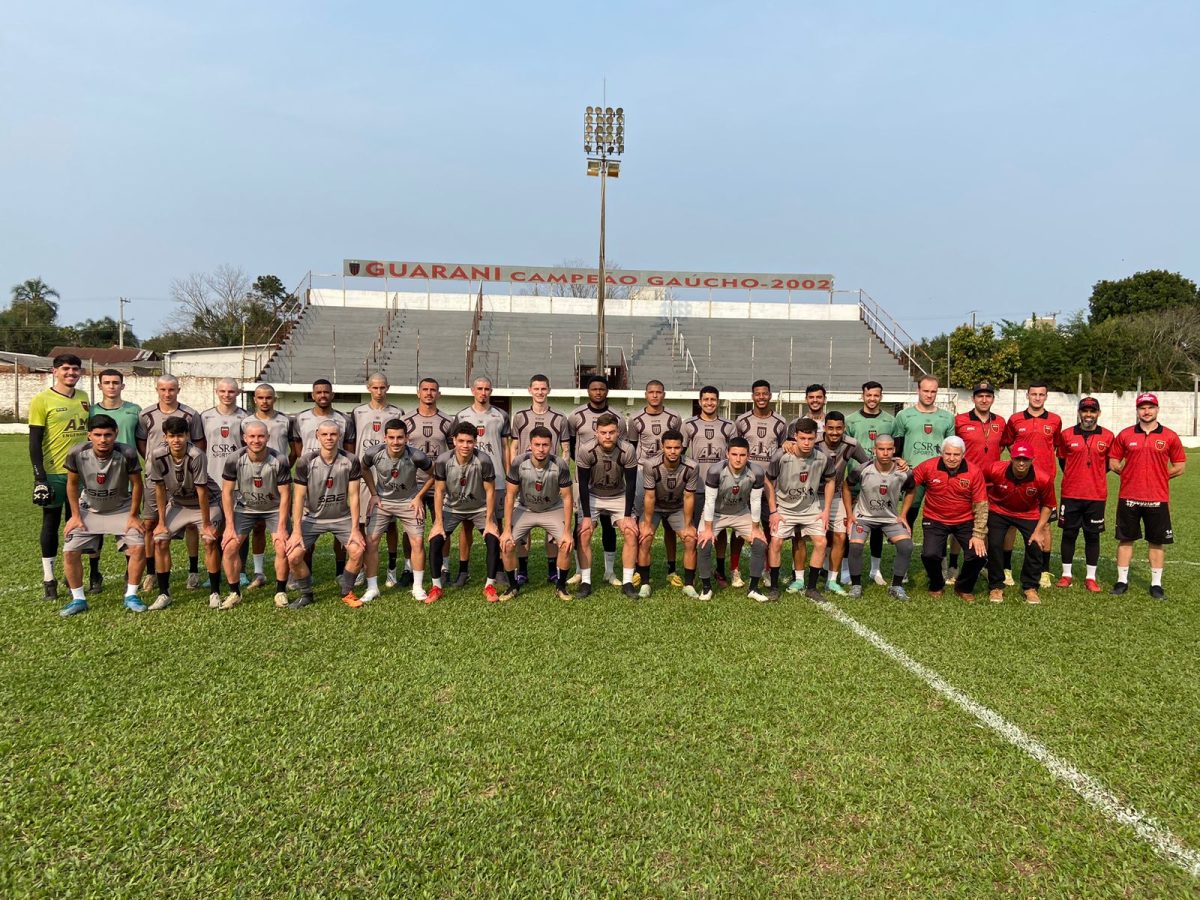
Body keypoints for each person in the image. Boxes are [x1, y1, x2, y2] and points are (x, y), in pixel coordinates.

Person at [58, 414, 147, 616]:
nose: (103, 439)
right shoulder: (77, 453)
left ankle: (131, 595)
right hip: (89, 509)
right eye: (97, 434)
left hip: (121, 509)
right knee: (69, 550)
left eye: (108, 434)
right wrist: (75, 516)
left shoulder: (127, 453)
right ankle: (78, 599)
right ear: (89, 435)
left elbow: (137, 484)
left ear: (115, 434)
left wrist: (133, 515)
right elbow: (71, 485)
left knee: (138, 546)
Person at [1109, 392, 1187, 599]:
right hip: (1129, 497)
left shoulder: (1169, 436)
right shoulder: (1126, 434)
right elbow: (1113, 461)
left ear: (1157, 409)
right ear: (1137, 410)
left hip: (1157, 498)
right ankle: (1121, 580)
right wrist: (1125, 472)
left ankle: (1156, 584)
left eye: (1150, 407)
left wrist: (1160, 476)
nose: (1146, 411)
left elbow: (1180, 466)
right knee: (1125, 540)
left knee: (1156, 541)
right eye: (1142, 408)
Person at [28, 353, 90, 600]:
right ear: (54, 371)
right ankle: (48, 579)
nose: (70, 373)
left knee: (77, 524)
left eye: (75, 369)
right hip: (54, 473)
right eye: (65, 369)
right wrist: (39, 477)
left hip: (82, 473)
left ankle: (71, 574)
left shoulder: (84, 398)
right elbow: (34, 442)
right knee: (51, 524)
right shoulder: (41, 400)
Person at [137, 374, 206, 592]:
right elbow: (142, 442)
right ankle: (151, 573)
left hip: (184, 479)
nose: (167, 394)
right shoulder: (146, 414)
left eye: (172, 390)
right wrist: (155, 464)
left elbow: (199, 443)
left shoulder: (190, 414)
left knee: (191, 524)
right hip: (155, 478)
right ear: (157, 389)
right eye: (163, 390)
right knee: (150, 524)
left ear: (178, 389)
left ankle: (193, 571)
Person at [286, 421, 366, 609]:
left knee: (357, 550)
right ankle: (306, 595)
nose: (329, 438)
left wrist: (355, 529)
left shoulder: (351, 460)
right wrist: (296, 531)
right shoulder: (305, 461)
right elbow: (298, 498)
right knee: (294, 556)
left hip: (341, 517)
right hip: (312, 518)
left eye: (333, 434)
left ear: (339, 436)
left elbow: (354, 495)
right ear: (317, 435)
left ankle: (346, 592)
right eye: (325, 435)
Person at [147, 416, 223, 610]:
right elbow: (159, 488)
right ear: (165, 437)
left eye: (180, 435)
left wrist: (206, 524)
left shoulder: (196, 455)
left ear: (188, 435)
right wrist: (161, 522)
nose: (176, 440)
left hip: (206, 503)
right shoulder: (157, 455)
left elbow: (202, 491)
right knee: (160, 539)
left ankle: (215, 592)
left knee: (209, 540)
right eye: (172, 436)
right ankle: (164, 593)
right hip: (179, 504)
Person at [900, 436, 988, 600]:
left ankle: (963, 587)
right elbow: (908, 483)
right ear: (941, 453)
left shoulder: (974, 472)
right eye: (948, 454)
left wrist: (978, 534)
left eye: (956, 454)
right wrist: (898, 469)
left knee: (979, 556)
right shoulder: (928, 466)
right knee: (929, 555)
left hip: (964, 520)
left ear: (963, 454)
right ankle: (936, 583)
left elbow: (981, 505)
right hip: (935, 519)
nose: (952, 458)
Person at [218, 419, 292, 610]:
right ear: (244, 438)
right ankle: (235, 592)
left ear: (267, 437)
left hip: (274, 509)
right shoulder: (235, 459)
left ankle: (280, 591)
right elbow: (226, 492)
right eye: (252, 436)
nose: (256, 440)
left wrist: (283, 526)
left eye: (260, 436)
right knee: (228, 547)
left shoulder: (279, 459)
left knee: (282, 547)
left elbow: (285, 494)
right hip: (245, 509)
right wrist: (229, 526)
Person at [426, 422, 502, 604]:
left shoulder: (483, 460)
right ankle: (436, 587)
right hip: (452, 509)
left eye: (469, 441)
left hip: (479, 509)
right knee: (436, 541)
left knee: (492, 539)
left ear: (475, 442)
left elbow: (490, 491)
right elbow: (438, 492)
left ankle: (489, 586)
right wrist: (437, 522)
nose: (465, 445)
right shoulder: (444, 460)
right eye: (461, 441)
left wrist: (490, 520)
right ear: (454, 441)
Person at [289, 378, 355, 581]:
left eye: (326, 392)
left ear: (332, 394)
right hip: (310, 476)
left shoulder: (345, 419)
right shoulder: (300, 418)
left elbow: (350, 449)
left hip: (337, 476)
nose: (322, 395)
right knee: (308, 522)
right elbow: (298, 448)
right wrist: (308, 464)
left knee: (340, 523)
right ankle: (306, 573)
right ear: (312, 395)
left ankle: (339, 571)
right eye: (318, 392)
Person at [499, 425, 575, 602]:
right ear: (530, 446)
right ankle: (513, 586)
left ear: (552, 446)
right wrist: (506, 530)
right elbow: (510, 496)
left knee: (565, 544)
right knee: (507, 544)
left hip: (552, 509)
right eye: (537, 444)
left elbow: (567, 498)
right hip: (525, 508)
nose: (541, 449)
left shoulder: (560, 464)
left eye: (545, 445)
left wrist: (567, 531)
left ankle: (561, 586)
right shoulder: (518, 462)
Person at [361, 419, 432, 602]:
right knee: (372, 541)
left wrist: (419, 497)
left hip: (409, 502)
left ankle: (417, 587)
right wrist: (374, 493)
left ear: (407, 438)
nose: (396, 442)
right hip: (383, 501)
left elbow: (435, 475)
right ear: (385, 437)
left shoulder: (416, 455)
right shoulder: (373, 453)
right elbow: (363, 468)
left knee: (416, 541)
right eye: (391, 437)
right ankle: (372, 588)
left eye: (400, 437)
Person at [566, 375, 627, 587]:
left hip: (611, 482)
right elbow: (573, 444)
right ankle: (579, 570)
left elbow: (622, 447)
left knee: (608, 526)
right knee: (581, 524)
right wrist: (589, 464)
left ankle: (609, 572)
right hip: (583, 479)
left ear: (607, 391)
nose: (598, 392)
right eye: (594, 389)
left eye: (602, 389)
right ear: (588, 391)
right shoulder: (575, 416)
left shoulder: (617, 417)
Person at [85, 367, 144, 590]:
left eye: (115, 382)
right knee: (95, 529)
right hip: (96, 480)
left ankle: (130, 572)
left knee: (129, 527)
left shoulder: (134, 410)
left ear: (122, 385)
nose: (111, 386)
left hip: (127, 480)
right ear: (100, 386)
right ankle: (94, 574)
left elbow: (141, 442)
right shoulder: (90, 412)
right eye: (107, 382)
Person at [764, 418, 834, 602]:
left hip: (811, 508)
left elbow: (831, 480)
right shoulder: (781, 455)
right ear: (795, 436)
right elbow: (768, 481)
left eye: (810, 438)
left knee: (821, 542)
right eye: (802, 438)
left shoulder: (822, 457)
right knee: (776, 542)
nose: (806, 443)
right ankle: (773, 587)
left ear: (816, 437)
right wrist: (773, 511)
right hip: (784, 509)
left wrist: (826, 510)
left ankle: (811, 588)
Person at [1001, 382, 1063, 588]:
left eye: (1041, 394)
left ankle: (1044, 571)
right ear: (1027, 395)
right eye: (1033, 394)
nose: (1037, 398)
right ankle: (1006, 569)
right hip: (1017, 480)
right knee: (1010, 523)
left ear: (1046, 397)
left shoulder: (1055, 420)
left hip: (1044, 482)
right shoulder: (1015, 419)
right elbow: (1008, 442)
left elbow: (1056, 446)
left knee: (1044, 525)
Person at [509, 374, 569, 584]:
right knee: (522, 530)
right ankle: (522, 571)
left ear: (549, 390)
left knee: (552, 528)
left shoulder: (559, 418)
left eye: (543, 388)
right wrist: (512, 471)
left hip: (550, 477)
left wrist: (560, 471)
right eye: (536, 388)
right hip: (524, 477)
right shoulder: (520, 416)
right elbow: (514, 446)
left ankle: (553, 570)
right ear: (530, 390)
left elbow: (565, 449)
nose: (540, 392)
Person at [451, 375, 511, 586]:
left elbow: (504, 448)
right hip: (470, 480)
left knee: (499, 524)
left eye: (487, 389)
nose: (483, 392)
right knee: (466, 525)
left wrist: (508, 473)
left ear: (491, 391)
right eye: (479, 388)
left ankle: (500, 568)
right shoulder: (461, 416)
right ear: (472, 390)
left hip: (497, 479)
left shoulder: (501, 415)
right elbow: (457, 449)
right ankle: (463, 570)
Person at [575, 413, 640, 598]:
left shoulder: (627, 450)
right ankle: (586, 581)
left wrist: (627, 516)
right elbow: (583, 485)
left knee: (630, 532)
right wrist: (587, 516)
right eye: (603, 432)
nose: (608, 436)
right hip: (593, 494)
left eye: (612, 432)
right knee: (584, 532)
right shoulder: (586, 450)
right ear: (596, 432)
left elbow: (631, 484)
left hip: (618, 495)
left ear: (618, 432)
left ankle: (627, 581)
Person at [697, 437, 769, 602]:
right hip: (716, 513)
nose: (738, 459)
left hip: (740, 512)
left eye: (742, 455)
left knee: (759, 543)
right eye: (734, 454)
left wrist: (756, 528)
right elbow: (709, 501)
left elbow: (756, 501)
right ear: (727, 454)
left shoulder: (756, 472)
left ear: (748, 455)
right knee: (704, 543)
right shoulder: (715, 471)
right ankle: (706, 588)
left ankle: (753, 588)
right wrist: (708, 530)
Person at [844, 434, 916, 600]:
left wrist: (903, 514)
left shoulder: (903, 472)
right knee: (855, 546)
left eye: (889, 449)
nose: (885, 453)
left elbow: (911, 490)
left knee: (906, 546)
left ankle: (896, 587)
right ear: (874, 450)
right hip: (863, 517)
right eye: (881, 449)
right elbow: (846, 487)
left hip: (890, 519)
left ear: (894, 450)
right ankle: (856, 585)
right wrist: (850, 514)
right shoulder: (862, 469)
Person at [983, 442, 1056, 604]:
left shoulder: (1043, 478)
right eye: (1018, 459)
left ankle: (1030, 587)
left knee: (1035, 544)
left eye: (1025, 459)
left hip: (1028, 514)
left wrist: (1039, 530)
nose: (1021, 462)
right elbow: (978, 482)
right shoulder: (995, 469)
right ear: (1011, 458)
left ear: (1032, 460)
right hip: (999, 510)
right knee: (994, 544)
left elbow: (1048, 505)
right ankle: (996, 586)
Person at [352, 373, 405, 589]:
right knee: (364, 523)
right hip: (366, 475)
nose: (379, 391)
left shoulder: (396, 412)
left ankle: (391, 569)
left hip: (388, 475)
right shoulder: (357, 412)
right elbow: (351, 443)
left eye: (383, 387)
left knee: (391, 525)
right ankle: (363, 569)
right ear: (368, 388)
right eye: (375, 387)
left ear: (388, 388)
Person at [1054, 397, 1113, 592]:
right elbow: (1063, 460)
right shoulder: (1066, 434)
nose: (1088, 415)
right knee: (1069, 534)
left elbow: (1108, 465)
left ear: (1098, 413)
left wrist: (1092, 475)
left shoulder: (1108, 436)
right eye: (1085, 411)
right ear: (1079, 412)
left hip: (1096, 495)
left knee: (1092, 536)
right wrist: (1076, 474)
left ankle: (1090, 577)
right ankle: (1066, 575)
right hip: (1071, 493)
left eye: (1092, 411)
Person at [628, 379, 684, 582]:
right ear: (646, 394)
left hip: (668, 472)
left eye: (658, 392)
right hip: (644, 471)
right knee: (642, 520)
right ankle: (638, 568)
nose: (654, 395)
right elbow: (632, 448)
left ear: (664, 394)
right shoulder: (635, 419)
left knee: (670, 522)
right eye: (651, 392)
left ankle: (671, 570)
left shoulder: (674, 417)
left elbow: (677, 444)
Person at [732, 379, 787, 588]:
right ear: (752, 396)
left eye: (765, 393)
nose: (761, 397)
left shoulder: (781, 422)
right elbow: (735, 450)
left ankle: (766, 569)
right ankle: (735, 570)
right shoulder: (742, 421)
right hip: (745, 482)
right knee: (739, 529)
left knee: (768, 526)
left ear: (770, 395)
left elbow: (785, 450)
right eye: (757, 394)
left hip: (770, 483)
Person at [950, 380, 1007, 581]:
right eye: (980, 396)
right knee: (960, 523)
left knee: (987, 525)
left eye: (988, 396)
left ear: (992, 398)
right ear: (974, 398)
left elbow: (1001, 447)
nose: (984, 399)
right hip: (965, 480)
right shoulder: (960, 420)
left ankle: (983, 563)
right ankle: (953, 565)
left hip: (991, 483)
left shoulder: (1000, 421)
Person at [681, 385, 736, 585]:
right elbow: (681, 455)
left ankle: (720, 571)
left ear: (718, 401)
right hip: (697, 487)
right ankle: (694, 571)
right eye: (706, 399)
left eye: (713, 399)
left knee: (719, 531)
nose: (709, 403)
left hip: (722, 487)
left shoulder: (729, 425)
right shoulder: (688, 424)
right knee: (696, 531)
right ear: (700, 401)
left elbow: (735, 454)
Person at [844, 380, 896, 587]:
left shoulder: (891, 421)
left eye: (876, 395)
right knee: (852, 525)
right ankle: (846, 570)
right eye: (869, 395)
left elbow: (894, 449)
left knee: (877, 526)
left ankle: (875, 570)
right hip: (856, 480)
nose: (872, 399)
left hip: (881, 481)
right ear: (862, 396)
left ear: (881, 396)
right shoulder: (851, 420)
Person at [403, 377, 454, 586]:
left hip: (439, 483)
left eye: (433, 390)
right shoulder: (406, 420)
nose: (429, 393)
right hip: (413, 484)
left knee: (443, 525)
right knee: (410, 527)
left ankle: (444, 567)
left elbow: (453, 452)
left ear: (438, 394)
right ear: (418, 393)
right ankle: (408, 568)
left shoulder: (448, 421)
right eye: (425, 389)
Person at [814, 411, 871, 594]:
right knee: (808, 536)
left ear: (844, 428)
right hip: (812, 496)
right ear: (824, 428)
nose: (834, 432)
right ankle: (798, 576)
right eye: (830, 428)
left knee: (840, 536)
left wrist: (896, 461)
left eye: (838, 428)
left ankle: (832, 579)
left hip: (837, 495)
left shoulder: (851, 444)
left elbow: (869, 465)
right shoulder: (813, 443)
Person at [637, 429, 698, 598]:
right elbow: (649, 496)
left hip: (677, 507)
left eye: (677, 448)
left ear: (682, 448)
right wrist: (647, 525)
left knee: (691, 538)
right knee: (645, 537)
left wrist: (688, 525)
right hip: (655, 506)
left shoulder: (692, 466)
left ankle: (688, 584)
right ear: (662, 447)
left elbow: (688, 496)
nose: (673, 451)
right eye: (669, 447)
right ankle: (645, 583)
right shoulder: (650, 465)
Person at [891, 375, 955, 531]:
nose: (929, 395)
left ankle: (938, 553)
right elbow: (896, 446)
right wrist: (898, 460)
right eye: (926, 391)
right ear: (918, 390)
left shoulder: (947, 417)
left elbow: (951, 447)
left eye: (933, 391)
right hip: (914, 473)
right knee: (909, 514)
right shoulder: (903, 415)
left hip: (939, 473)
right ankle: (905, 548)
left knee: (940, 515)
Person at [245, 383, 293, 587]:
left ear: (275, 398)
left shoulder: (285, 421)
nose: (265, 401)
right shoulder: (246, 421)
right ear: (254, 399)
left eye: (268, 397)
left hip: (279, 481)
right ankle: (258, 572)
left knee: (284, 527)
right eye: (260, 397)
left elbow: (295, 448)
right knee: (257, 526)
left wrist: (282, 467)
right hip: (253, 480)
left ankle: (289, 575)